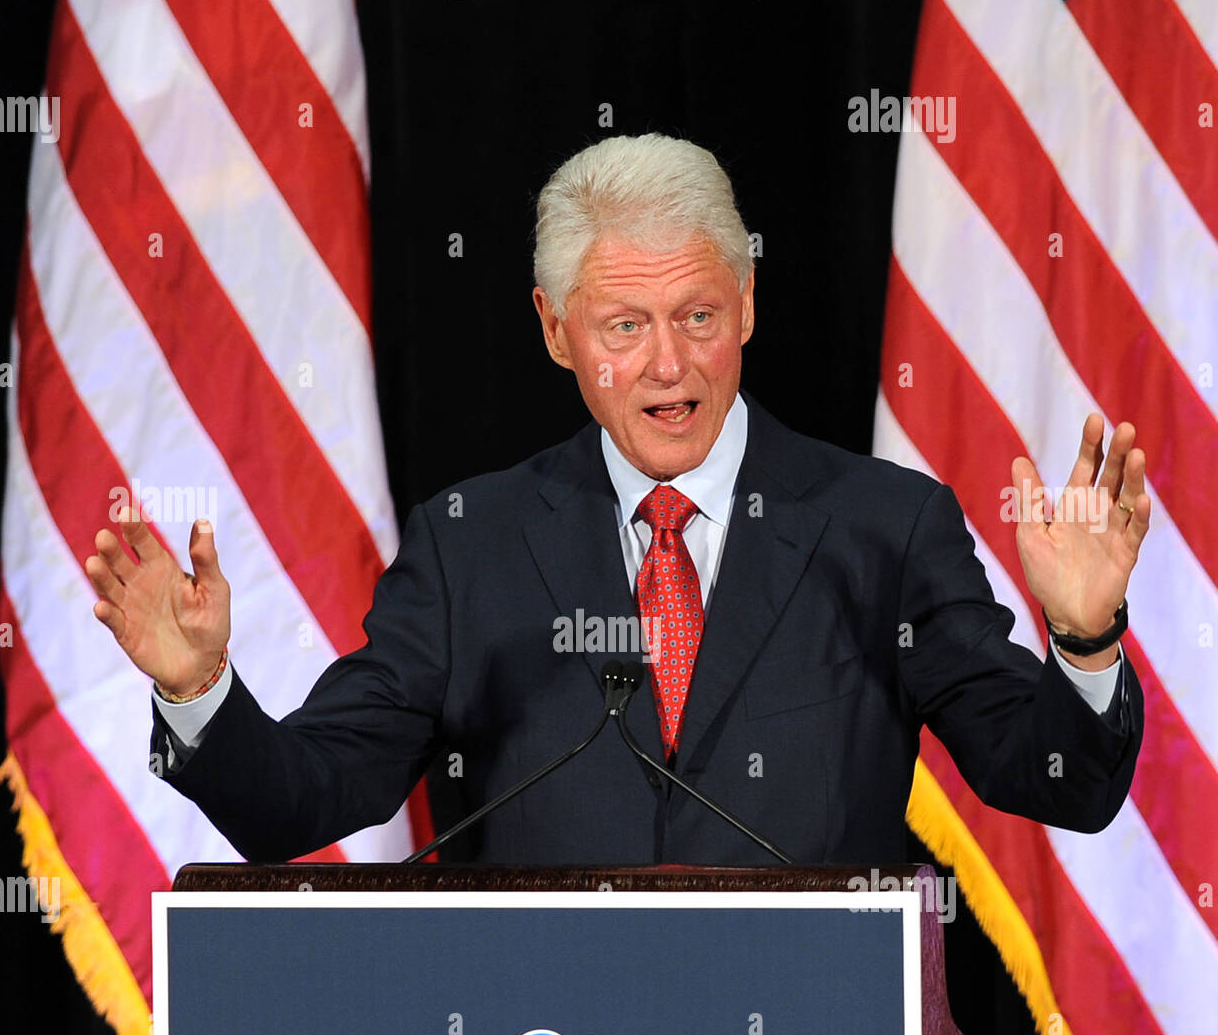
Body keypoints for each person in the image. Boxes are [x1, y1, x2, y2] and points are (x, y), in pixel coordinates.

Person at [86, 134, 1147, 865]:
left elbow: (1056, 780)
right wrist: (199, 693)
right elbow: (306, 798)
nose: (666, 363)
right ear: (557, 332)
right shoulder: (471, 547)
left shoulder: (886, 528)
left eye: (694, 314)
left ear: (744, 307)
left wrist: (1083, 635)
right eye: (623, 326)